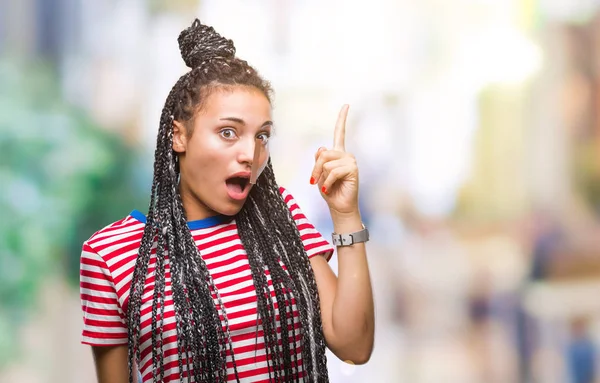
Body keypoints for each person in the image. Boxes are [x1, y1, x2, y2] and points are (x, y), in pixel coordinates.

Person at [79, 19, 374, 383]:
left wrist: (345, 215)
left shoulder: (282, 220)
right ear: (179, 136)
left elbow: (355, 346)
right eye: (228, 132)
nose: (250, 153)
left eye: (262, 136)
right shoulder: (109, 253)